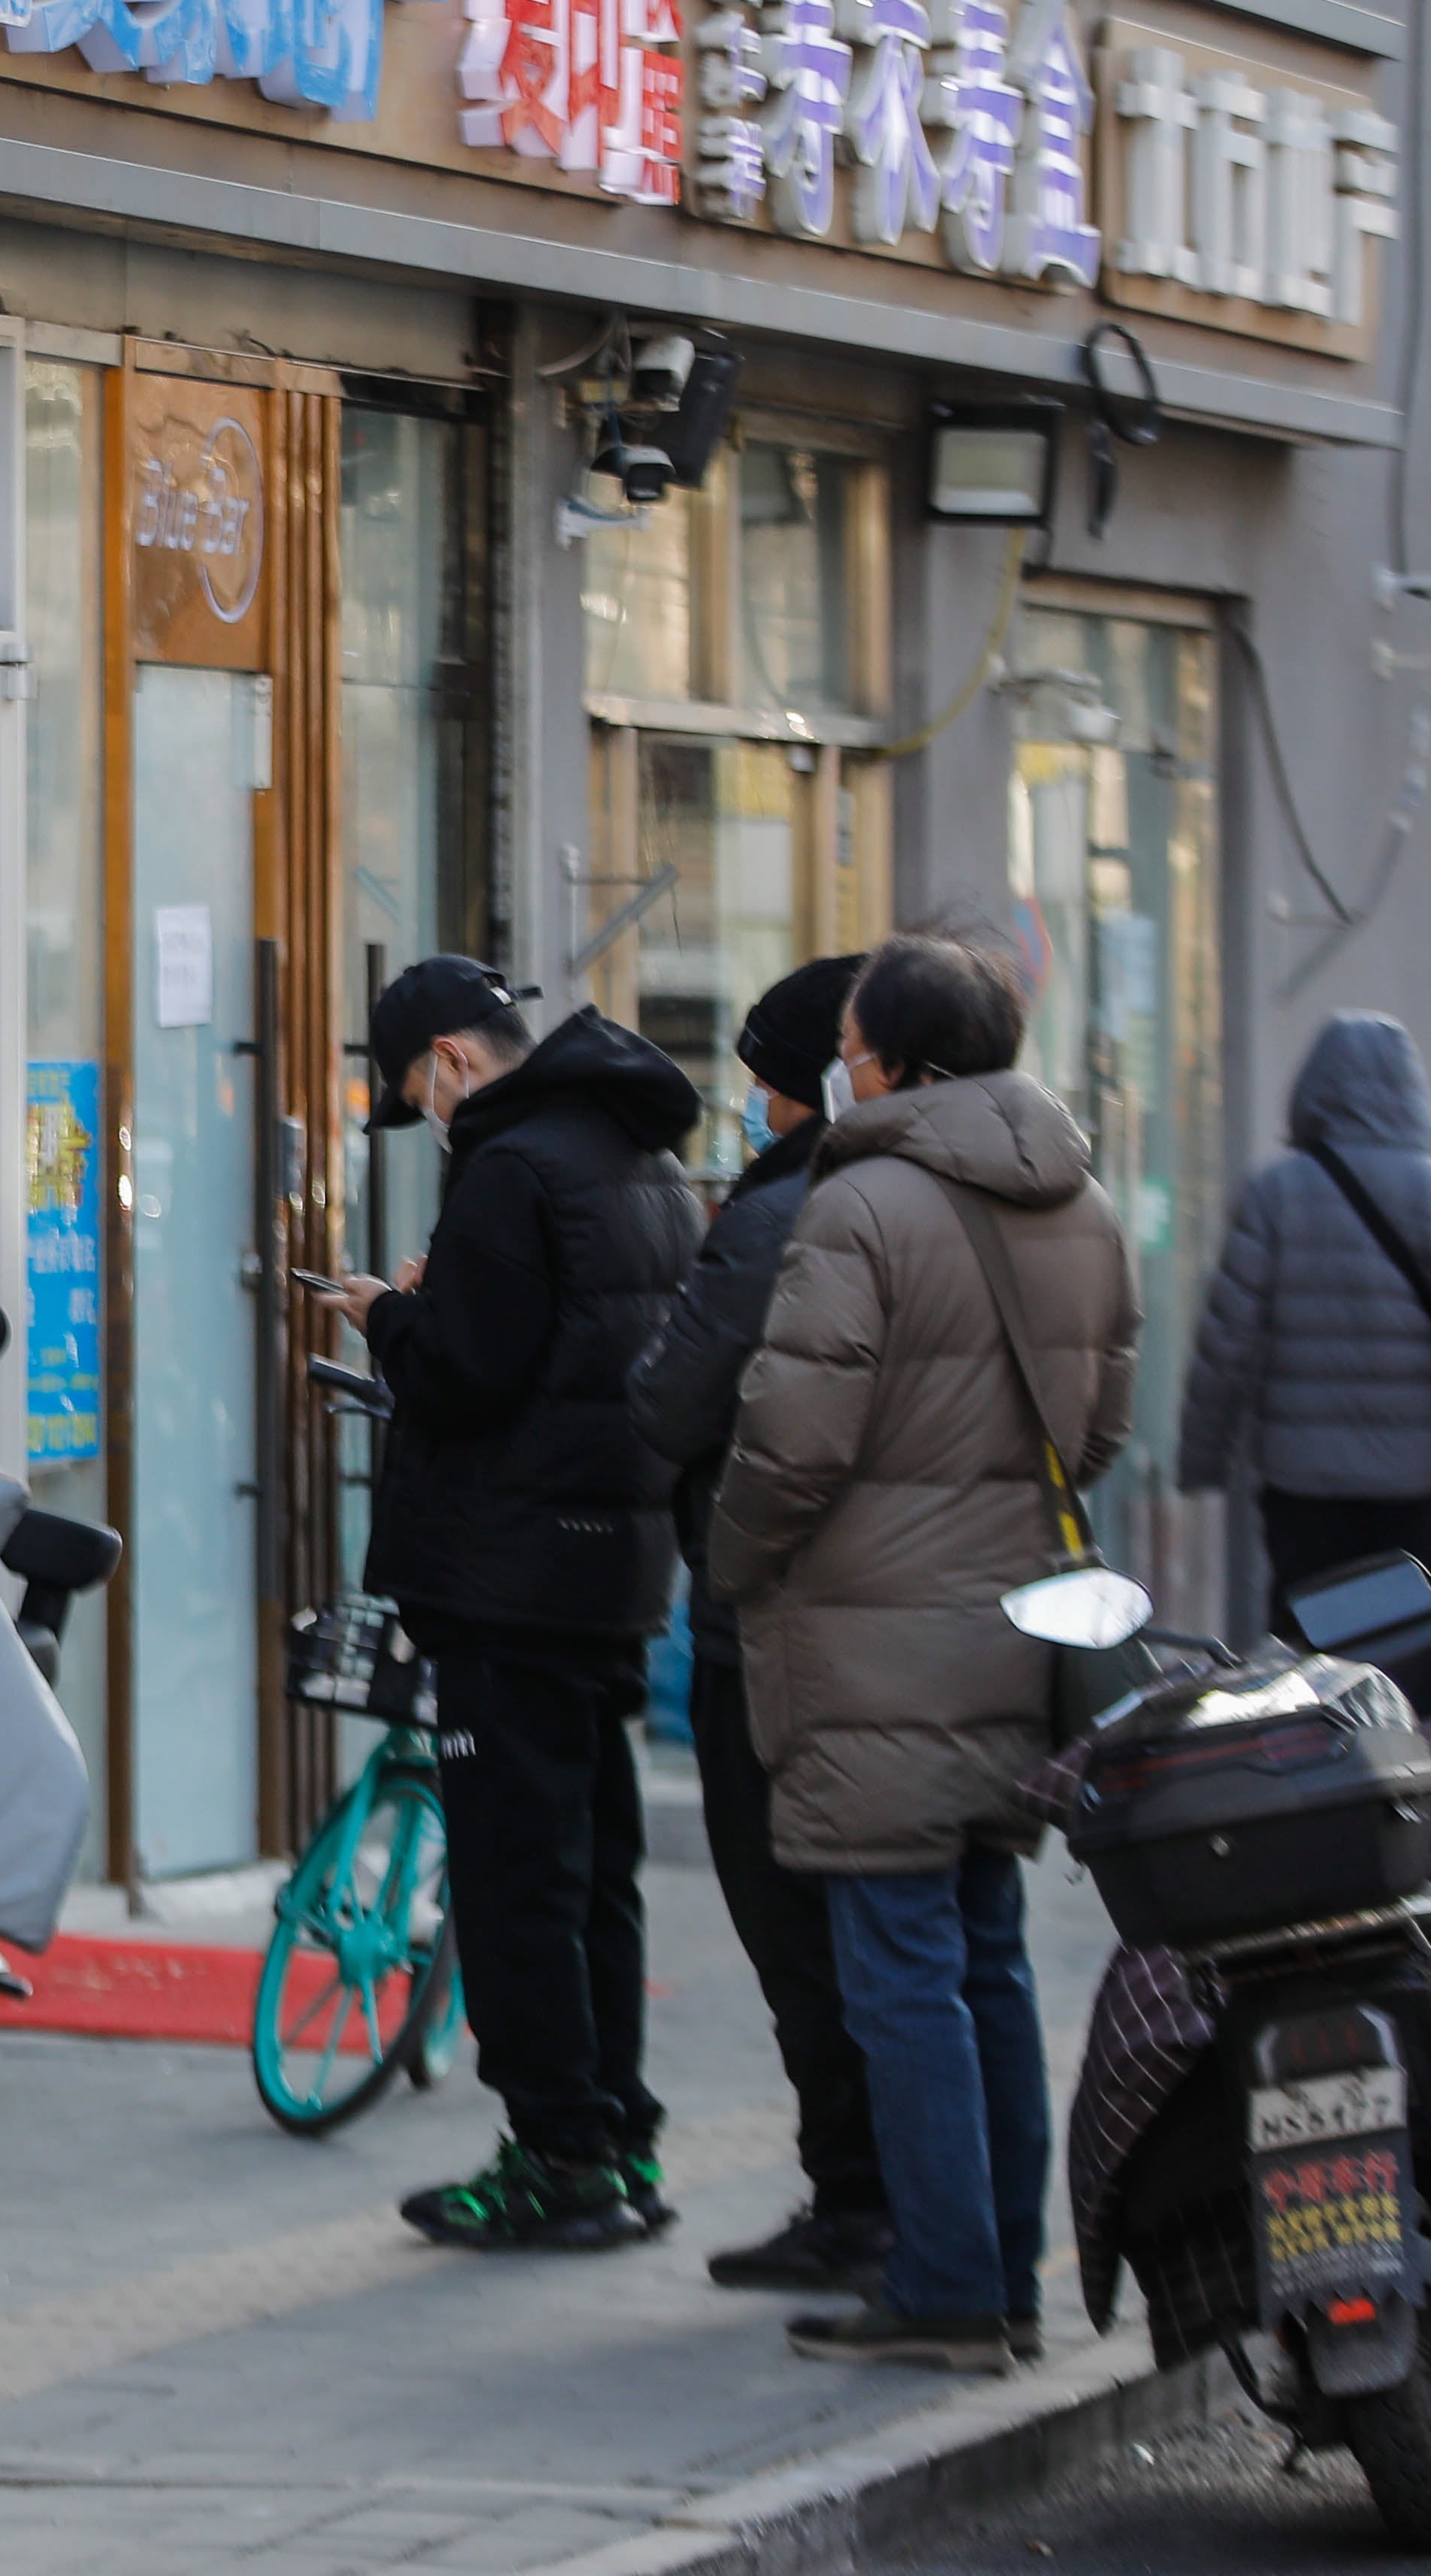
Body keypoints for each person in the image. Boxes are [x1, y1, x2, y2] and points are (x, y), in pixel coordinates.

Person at [714, 934, 1138, 2374]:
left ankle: (951, 2285)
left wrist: (736, 1563)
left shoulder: (866, 1203)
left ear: (890, 1060)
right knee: (989, 1957)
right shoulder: (1078, 1200)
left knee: (897, 1963)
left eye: (850, 1040)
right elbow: (1099, 1430)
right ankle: (1006, 2276)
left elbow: (790, 1441)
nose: (841, 1064)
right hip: (1016, 1627)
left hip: (869, 1640)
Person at [323, 955, 700, 2254]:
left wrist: (389, 1316)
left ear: (453, 1059)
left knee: (518, 1879)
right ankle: (614, 2132)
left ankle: (556, 2155)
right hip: (611, 1572)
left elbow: (472, 1374)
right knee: (596, 1872)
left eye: (415, 1086)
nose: (425, 1108)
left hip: (512, 1579)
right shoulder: (631, 1154)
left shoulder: (510, 1168)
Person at [625, 954, 890, 2302]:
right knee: (929, 1938)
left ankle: (861, 2199)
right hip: (928, 1623)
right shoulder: (981, 1195)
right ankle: (944, 2218)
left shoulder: (787, 1209)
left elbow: (679, 1401)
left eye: (763, 1081)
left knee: (800, 1921)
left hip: (779, 1619)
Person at [1175, 1012, 1431, 1627]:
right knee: (1406, 1645)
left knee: (1312, 1648)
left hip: (1303, 1485)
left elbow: (1226, 1343)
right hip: (1414, 1486)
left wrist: (1202, 1457)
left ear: (1314, 1091)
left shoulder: (1274, 1197)